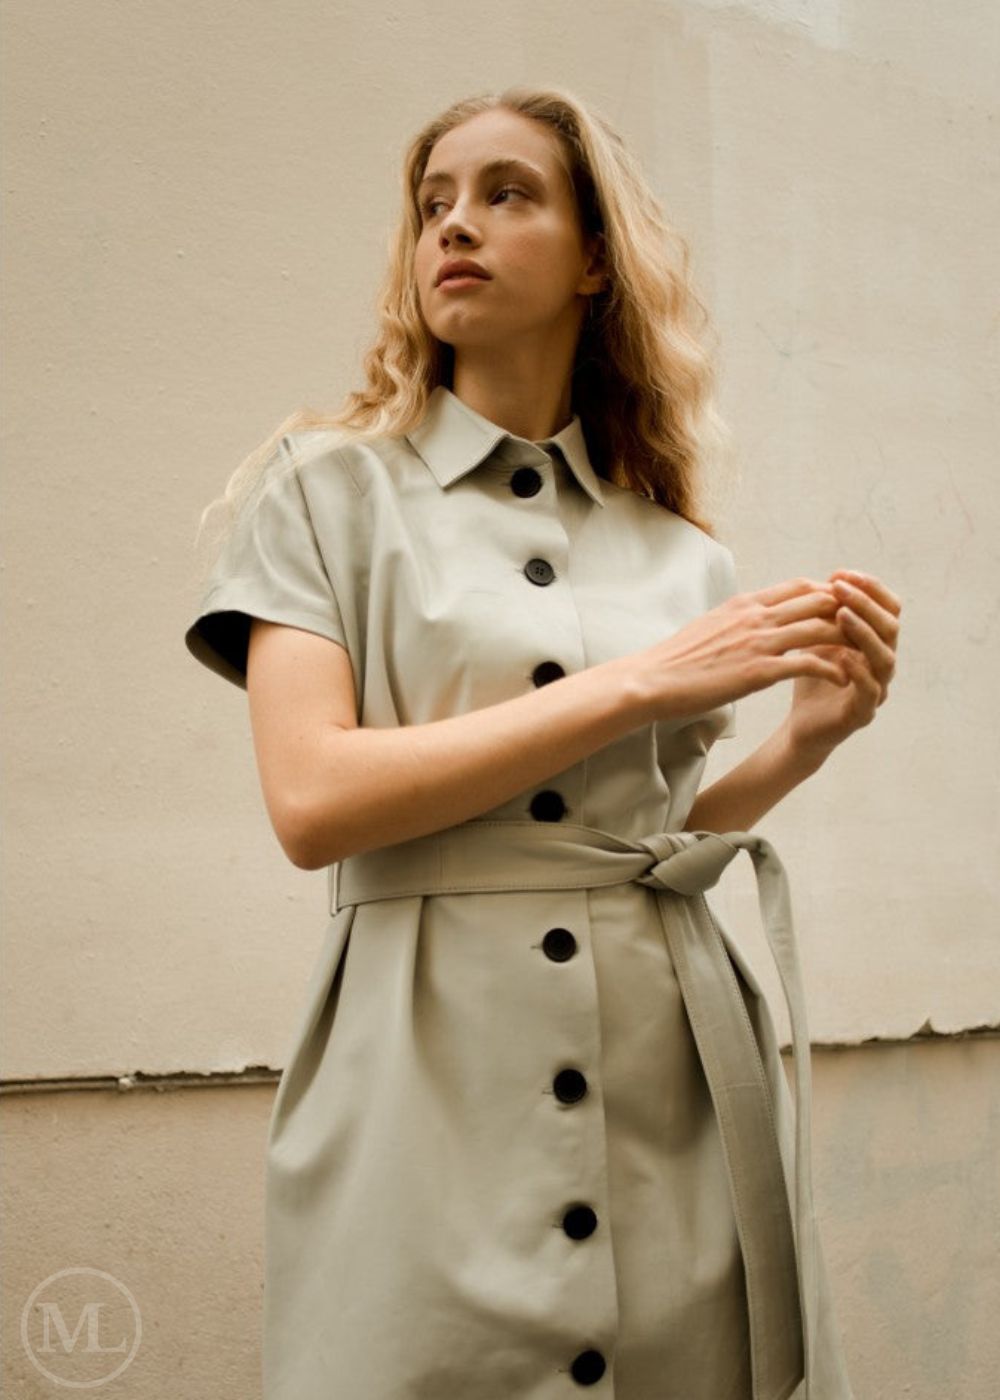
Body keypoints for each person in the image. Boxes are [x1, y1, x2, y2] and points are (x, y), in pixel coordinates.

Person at [185, 86, 900, 1400]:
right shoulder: (325, 488)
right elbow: (311, 800)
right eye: (433, 204)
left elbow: (637, 841)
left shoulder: (682, 552)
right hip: (426, 1084)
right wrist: (639, 683)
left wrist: (805, 742)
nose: (455, 224)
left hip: (668, 1080)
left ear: (591, 260)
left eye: (506, 192)